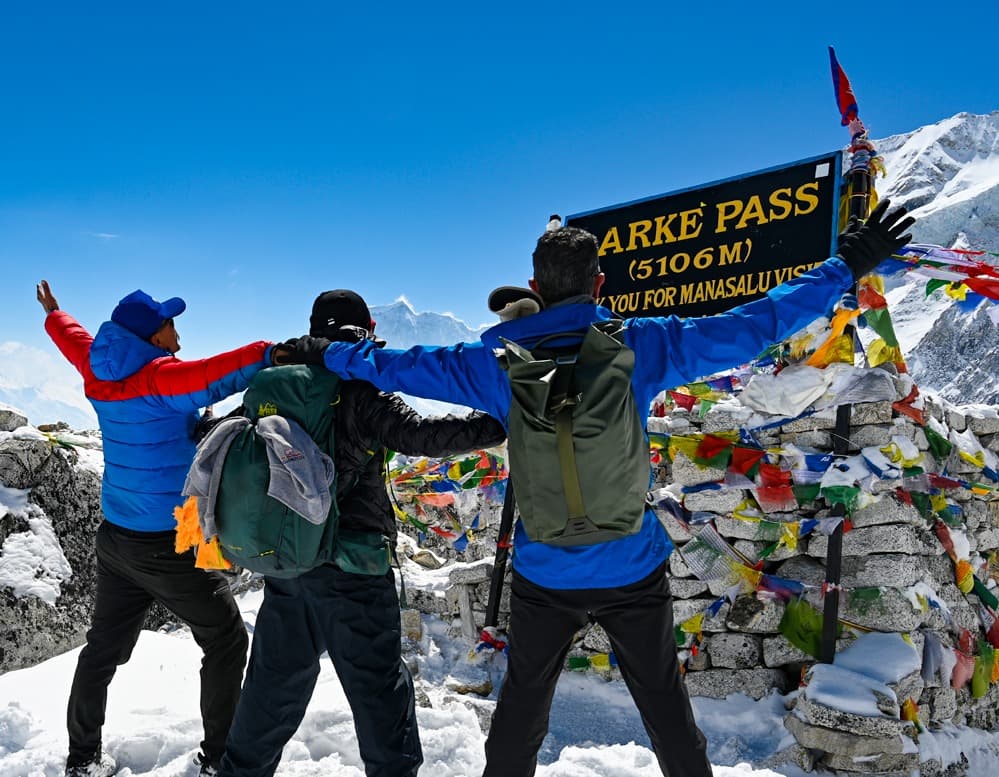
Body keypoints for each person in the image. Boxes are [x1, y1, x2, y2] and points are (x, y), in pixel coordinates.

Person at [282, 200, 915, 777]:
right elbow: (756, 324)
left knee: (523, 708)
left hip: (543, 571)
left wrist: (325, 352)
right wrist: (846, 264)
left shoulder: (490, 363)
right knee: (665, 706)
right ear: (599, 285)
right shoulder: (643, 346)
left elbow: (395, 364)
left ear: (535, 289)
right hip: (630, 565)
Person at [218, 289, 506, 777]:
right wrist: (497, 423)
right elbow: (423, 436)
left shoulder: (274, 388)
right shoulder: (358, 390)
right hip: (353, 570)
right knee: (377, 690)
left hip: (289, 566)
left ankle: (239, 770)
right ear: (364, 332)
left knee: (271, 688)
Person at [37, 281, 287, 777]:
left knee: (103, 648)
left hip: (116, 536)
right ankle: (220, 758)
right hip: (169, 540)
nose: (178, 334)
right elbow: (218, 375)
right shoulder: (160, 380)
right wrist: (271, 353)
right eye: (171, 325)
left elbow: (75, 340)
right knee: (226, 640)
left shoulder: (98, 367)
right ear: (153, 337)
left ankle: (82, 759)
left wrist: (53, 314)